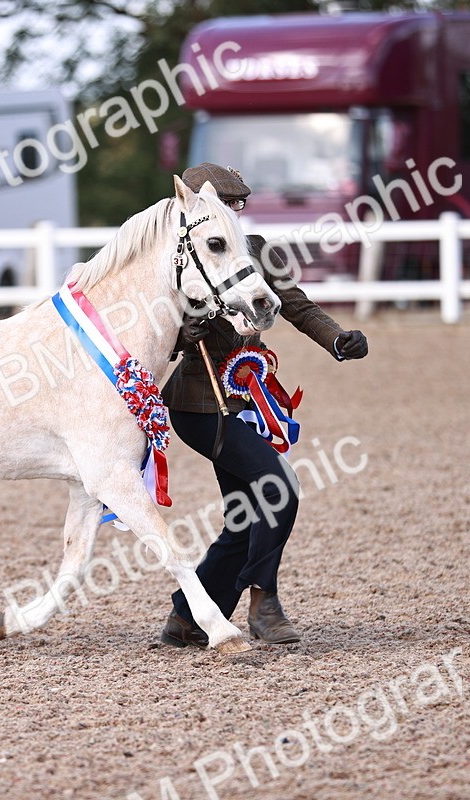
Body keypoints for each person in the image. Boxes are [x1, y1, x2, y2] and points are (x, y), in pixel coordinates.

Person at [160, 163, 369, 648]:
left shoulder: (255, 251)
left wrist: (337, 341)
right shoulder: (181, 257)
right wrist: (183, 332)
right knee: (279, 488)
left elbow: (297, 305)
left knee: (244, 516)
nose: (236, 212)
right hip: (200, 405)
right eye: (228, 204)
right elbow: (156, 338)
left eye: (239, 204)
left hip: (248, 398)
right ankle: (264, 601)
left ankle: (187, 617)